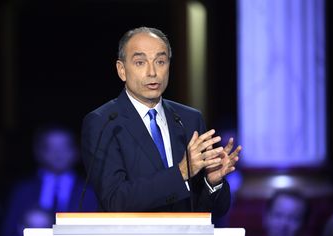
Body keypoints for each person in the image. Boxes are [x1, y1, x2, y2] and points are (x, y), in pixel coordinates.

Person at [81, 27, 242, 219]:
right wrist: (180, 172)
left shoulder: (189, 119)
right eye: (140, 62)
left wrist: (212, 183)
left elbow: (209, 212)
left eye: (160, 61)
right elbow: (115, 200)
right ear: (122, 70)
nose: (152, 72)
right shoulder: (104, 122)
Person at [0, 125, 98, 236]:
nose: (58, 154)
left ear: (76, 151)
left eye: (65, 147)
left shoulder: (90, 191)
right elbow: (7, 235)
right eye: (50, 148)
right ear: (38, 151)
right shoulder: (23, 190)